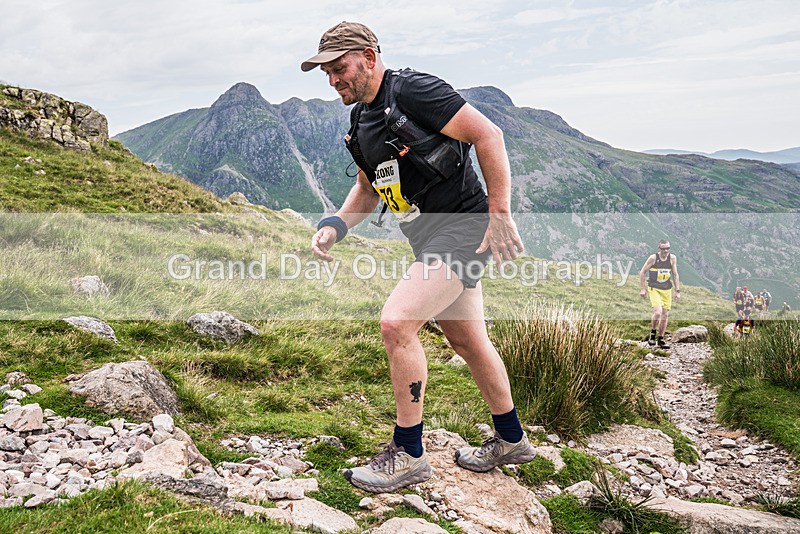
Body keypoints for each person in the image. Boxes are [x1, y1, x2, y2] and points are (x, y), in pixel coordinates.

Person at [303, 21, 536, 493]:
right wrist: (336, 224)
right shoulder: (360, 121)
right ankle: (511, 440)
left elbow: (488, 135)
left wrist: (499, 214)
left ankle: (408, 452)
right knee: (469, 341)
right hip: (427, 239)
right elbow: (370, 188)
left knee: (397, 322)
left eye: (339, 68)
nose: (333, 80)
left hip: (463, 229)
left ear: (369, 56)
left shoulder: (414, 90)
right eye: (325, 72)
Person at [639, 240, 680, 349]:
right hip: (654, 288)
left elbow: (675, 274)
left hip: (667, 289)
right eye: (663, 249)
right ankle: (653, 333)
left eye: (667, 248)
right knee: (658, 312)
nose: (665, 251)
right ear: (659, 249)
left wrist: (677, 291)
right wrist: (643, 289)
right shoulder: (653, 258)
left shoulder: (672, 258)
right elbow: (642, 272)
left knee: (665, 314)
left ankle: (661, 339)